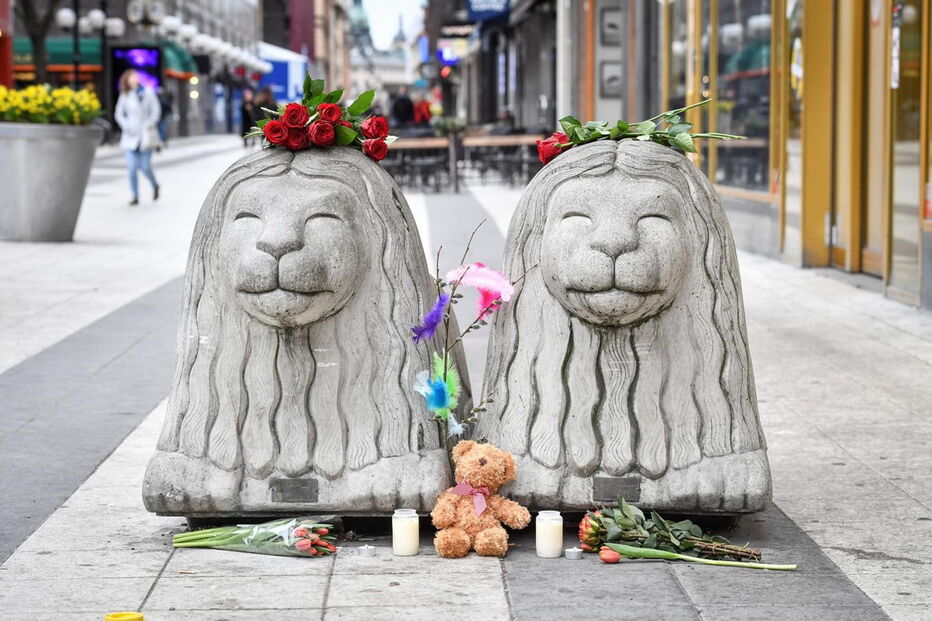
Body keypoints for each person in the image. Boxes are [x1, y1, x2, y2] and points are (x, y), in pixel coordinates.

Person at [115, 69, 160, 205]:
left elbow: (155, 111)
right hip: (130, 137)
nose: (134, 79)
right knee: (132, 168)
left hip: (145, 137)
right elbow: (119, 114)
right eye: (131, 77)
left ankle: (155, 185)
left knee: (145, 167)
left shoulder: (148, 93)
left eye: (135, 77)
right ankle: (135, 195)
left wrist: (149, 123)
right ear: (127, 80)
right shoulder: (125, 95)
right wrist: (126, 125)